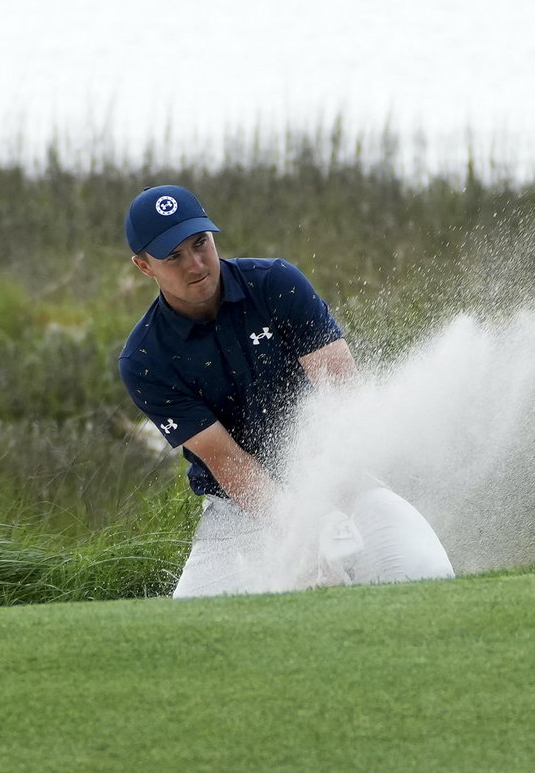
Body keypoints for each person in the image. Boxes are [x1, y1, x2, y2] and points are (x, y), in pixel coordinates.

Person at [117, 184, 454, 597]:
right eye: (173, 256)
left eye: (200, 243)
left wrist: (331, 507)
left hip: (342, 480)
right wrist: (301, 537)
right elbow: (229, 464)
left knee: (427, 573)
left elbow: (344, 400)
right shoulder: (146, 358)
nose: (196, 264)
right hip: (238, 513)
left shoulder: (276, 284)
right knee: (193, 623)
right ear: (144, 266)